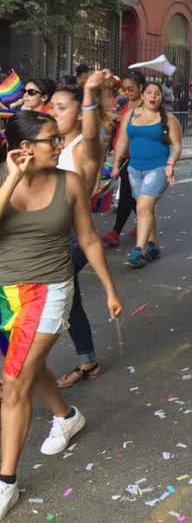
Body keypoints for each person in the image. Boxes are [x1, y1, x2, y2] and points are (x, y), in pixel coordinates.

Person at [0, 111, 123, 519]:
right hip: (4, 294)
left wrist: (109, 288)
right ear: (23, 148)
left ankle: (6, 483)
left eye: (58, 138)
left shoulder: (68, 182)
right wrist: (13, 179)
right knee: (29, 368)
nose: (58, 145)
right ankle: (67, 416)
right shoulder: (3, 177)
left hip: (49, 290)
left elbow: (87, 238)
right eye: (51, 140)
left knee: (14, 382)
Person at [49, 73, 115, 388]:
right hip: (56, 234)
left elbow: (91, 134)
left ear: (80, 112)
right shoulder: (55, 145)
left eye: (61, 108)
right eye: (52, 107)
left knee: (44, 292)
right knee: (69, 296)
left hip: (75, 237)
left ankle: (20, 368)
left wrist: (89, 91)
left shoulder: (83, 147)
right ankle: (87, 360)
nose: (53, 112)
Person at [110, 82, 182, 268]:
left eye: (157, 94)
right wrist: (116, 165)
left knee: (142, 207)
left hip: (157, 169)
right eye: (149, 92)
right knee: (146, 209)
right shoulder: (130, 115)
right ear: (142, 96)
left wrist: (170, 164)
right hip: (134, 169)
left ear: (161, 98)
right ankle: (153, 246)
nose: (153, 96)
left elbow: (176, 146)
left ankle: (138, 250)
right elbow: (121, 142)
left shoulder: (169, 119)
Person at [101, 71, 145, 247]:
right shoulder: (123, 103)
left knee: (127, 191)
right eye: (124, 89)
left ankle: (115, 231)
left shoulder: (146, 105)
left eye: (131, 89)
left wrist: (120, 118)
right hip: (122, 153)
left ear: (141, 88)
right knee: (133, 194)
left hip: (136, 154)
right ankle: (144, 222)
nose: (127, 92)